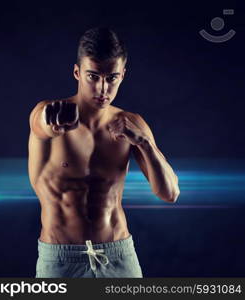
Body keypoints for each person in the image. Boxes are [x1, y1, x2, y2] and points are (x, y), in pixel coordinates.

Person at [28, 27, 180, 278]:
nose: (102, 88)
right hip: (61, 261)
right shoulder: (48, 111)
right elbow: (40, 124)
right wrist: (51, 123)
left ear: (122, 75)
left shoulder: (132, 123)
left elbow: (170, 193)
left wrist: (144, 143)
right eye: (93, 76)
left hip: (118, 255)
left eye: (111, 78)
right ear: (77, 72)